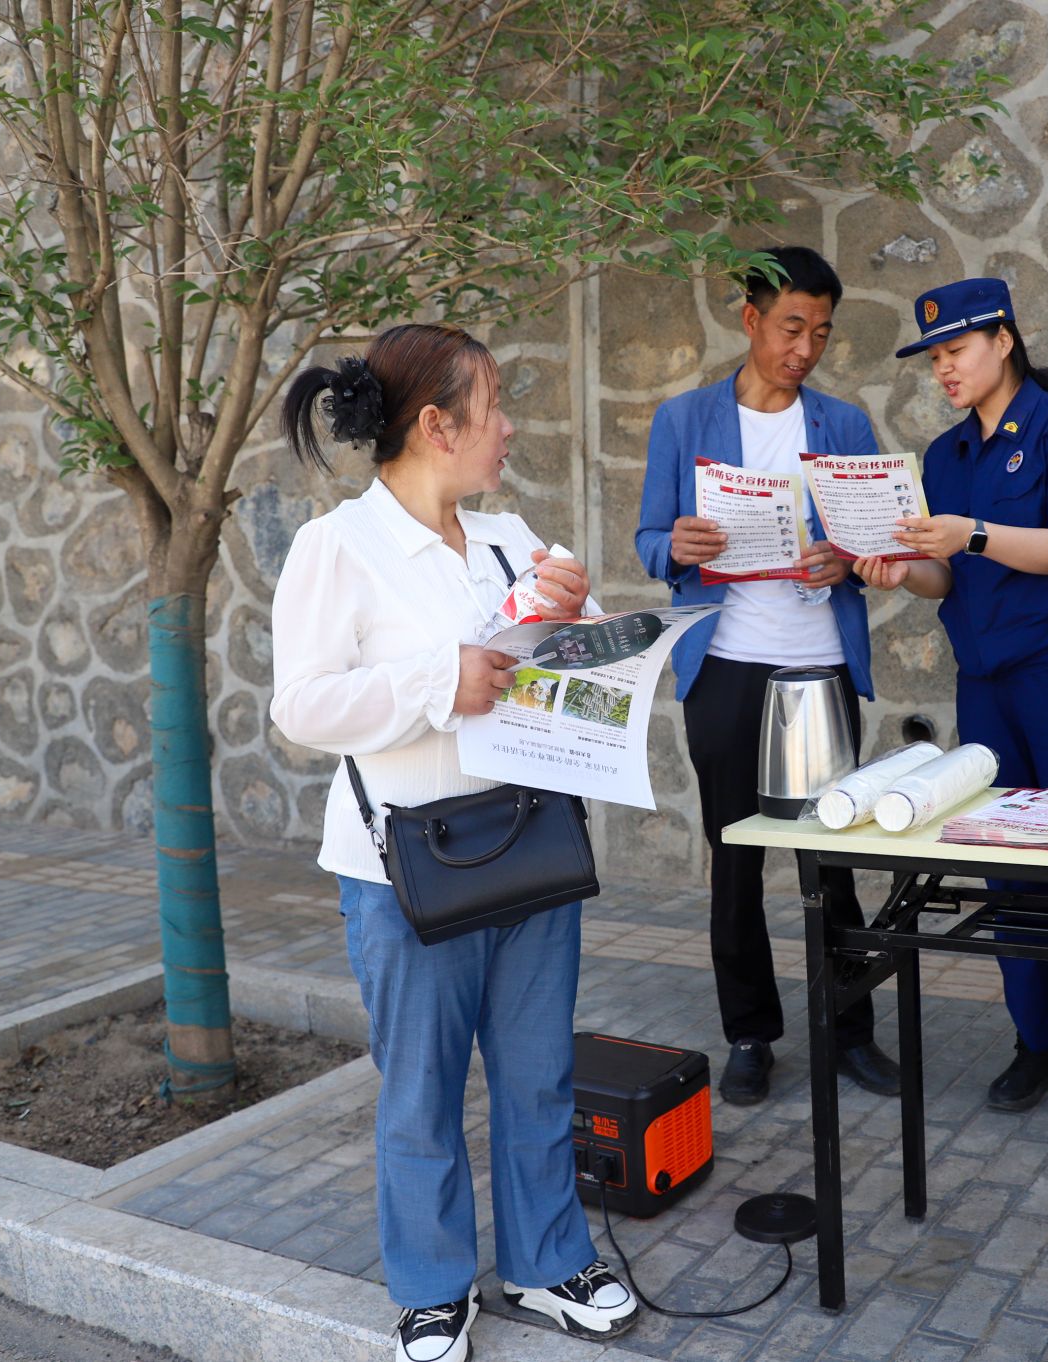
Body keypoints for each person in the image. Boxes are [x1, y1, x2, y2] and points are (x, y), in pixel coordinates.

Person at [270, 324, 637, 1360]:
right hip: (406, 870)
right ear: (437, 424)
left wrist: (581, 614)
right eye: (495, 405)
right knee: (420, 1091)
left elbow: (580, 672)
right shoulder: (338, 547)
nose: (508, 426)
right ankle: (432, 1288)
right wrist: (443, 682)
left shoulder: (511, 537)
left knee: (538, 1075)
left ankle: (546, 1261)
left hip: (529, 845)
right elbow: (301, 707)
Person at [856, 277, 1048, 1144]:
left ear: (1004, 340)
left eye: (956, 351)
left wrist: (971, 533)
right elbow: (945, 577)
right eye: (934, 358)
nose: (943, 370)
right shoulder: (945, 455)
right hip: (987, 680)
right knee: (1007, 869)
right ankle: (1041, 1044)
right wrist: (900, 568)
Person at [634, 246, 901, 1106]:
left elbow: (878, 543)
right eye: (791, 328)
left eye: (820, 332)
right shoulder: (684, 420)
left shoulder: (843, 425)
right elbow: (649, 542)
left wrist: (847, 561)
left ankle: (852, 1030)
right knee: (735, 859)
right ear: (750, 320)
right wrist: (675, 546)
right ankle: (749, 1035)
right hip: (724, 666)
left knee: (832, 860)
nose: (805, 349)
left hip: (818, 666)